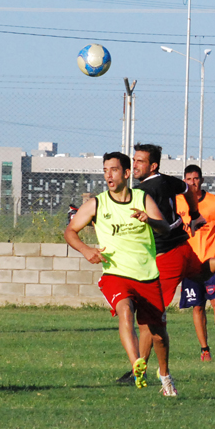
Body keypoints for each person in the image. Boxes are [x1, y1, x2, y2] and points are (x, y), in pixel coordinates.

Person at [117, 143, 215, 382]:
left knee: (150, 316)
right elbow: (188, 190)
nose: (134, 165)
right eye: (134, 160)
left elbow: (145, 225)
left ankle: (140, 369)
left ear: (152, 165)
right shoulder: (166, 180)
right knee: (200, 272)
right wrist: (195, 213)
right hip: (184, 248)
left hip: (166, 257)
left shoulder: (145, 190)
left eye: (139, 161)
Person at [64, 152, 178, 396]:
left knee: (158, 334)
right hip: (115, 273)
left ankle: (166, 378)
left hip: (147, 275)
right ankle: (137, 363)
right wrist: (86, 251)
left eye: (114, 169)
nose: (108, 175)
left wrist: (150, 220)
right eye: (105, 170)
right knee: (124, 309)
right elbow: (70, 231)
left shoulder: (142, 197)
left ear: (127, 173)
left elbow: (166, 228)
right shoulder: (98, 203)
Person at [176, 165, 215, 363]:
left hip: (212, 261)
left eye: (196, 178)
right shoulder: (178, 202)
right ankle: (204, 350)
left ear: (202, 180)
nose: (193, 182)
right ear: (184, 180)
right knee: (197, 307)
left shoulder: (213, 201)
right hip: (190, 264)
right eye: (189, 178)